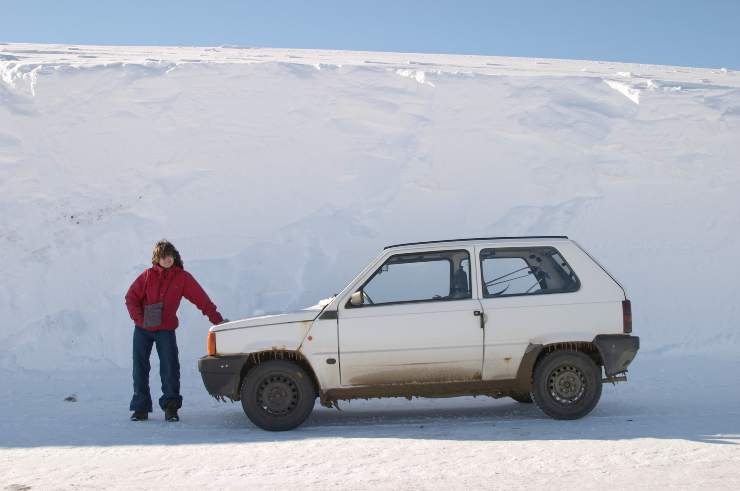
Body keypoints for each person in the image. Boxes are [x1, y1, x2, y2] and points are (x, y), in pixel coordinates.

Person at [125, 239, 226, 422]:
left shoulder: (182, 278)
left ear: (174, 256)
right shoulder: (147, 276)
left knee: (170, 367)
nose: (167, 259)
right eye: (163, 256)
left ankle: (171, 408)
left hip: (166, 330)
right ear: (157, 258)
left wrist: (218, 320)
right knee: (140, 368)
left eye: (170, 255)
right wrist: (140, 320)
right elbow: (131, 297)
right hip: (142, 330)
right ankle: (140, 408)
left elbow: (201, 299)